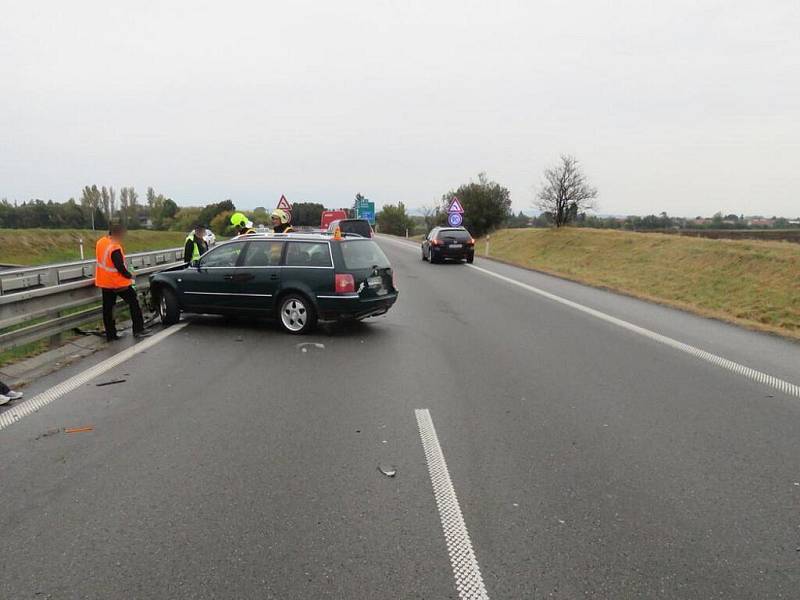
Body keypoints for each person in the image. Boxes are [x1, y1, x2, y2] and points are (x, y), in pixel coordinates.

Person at [95, 223, 151, 341]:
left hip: (105, 282)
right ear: (117, 233)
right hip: (117, 283)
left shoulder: (101, 242)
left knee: (108, 309)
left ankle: (111, 335)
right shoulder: (114, 247)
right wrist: (129, 276)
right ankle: (138, 329)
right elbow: (119, 266)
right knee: (134, 302)